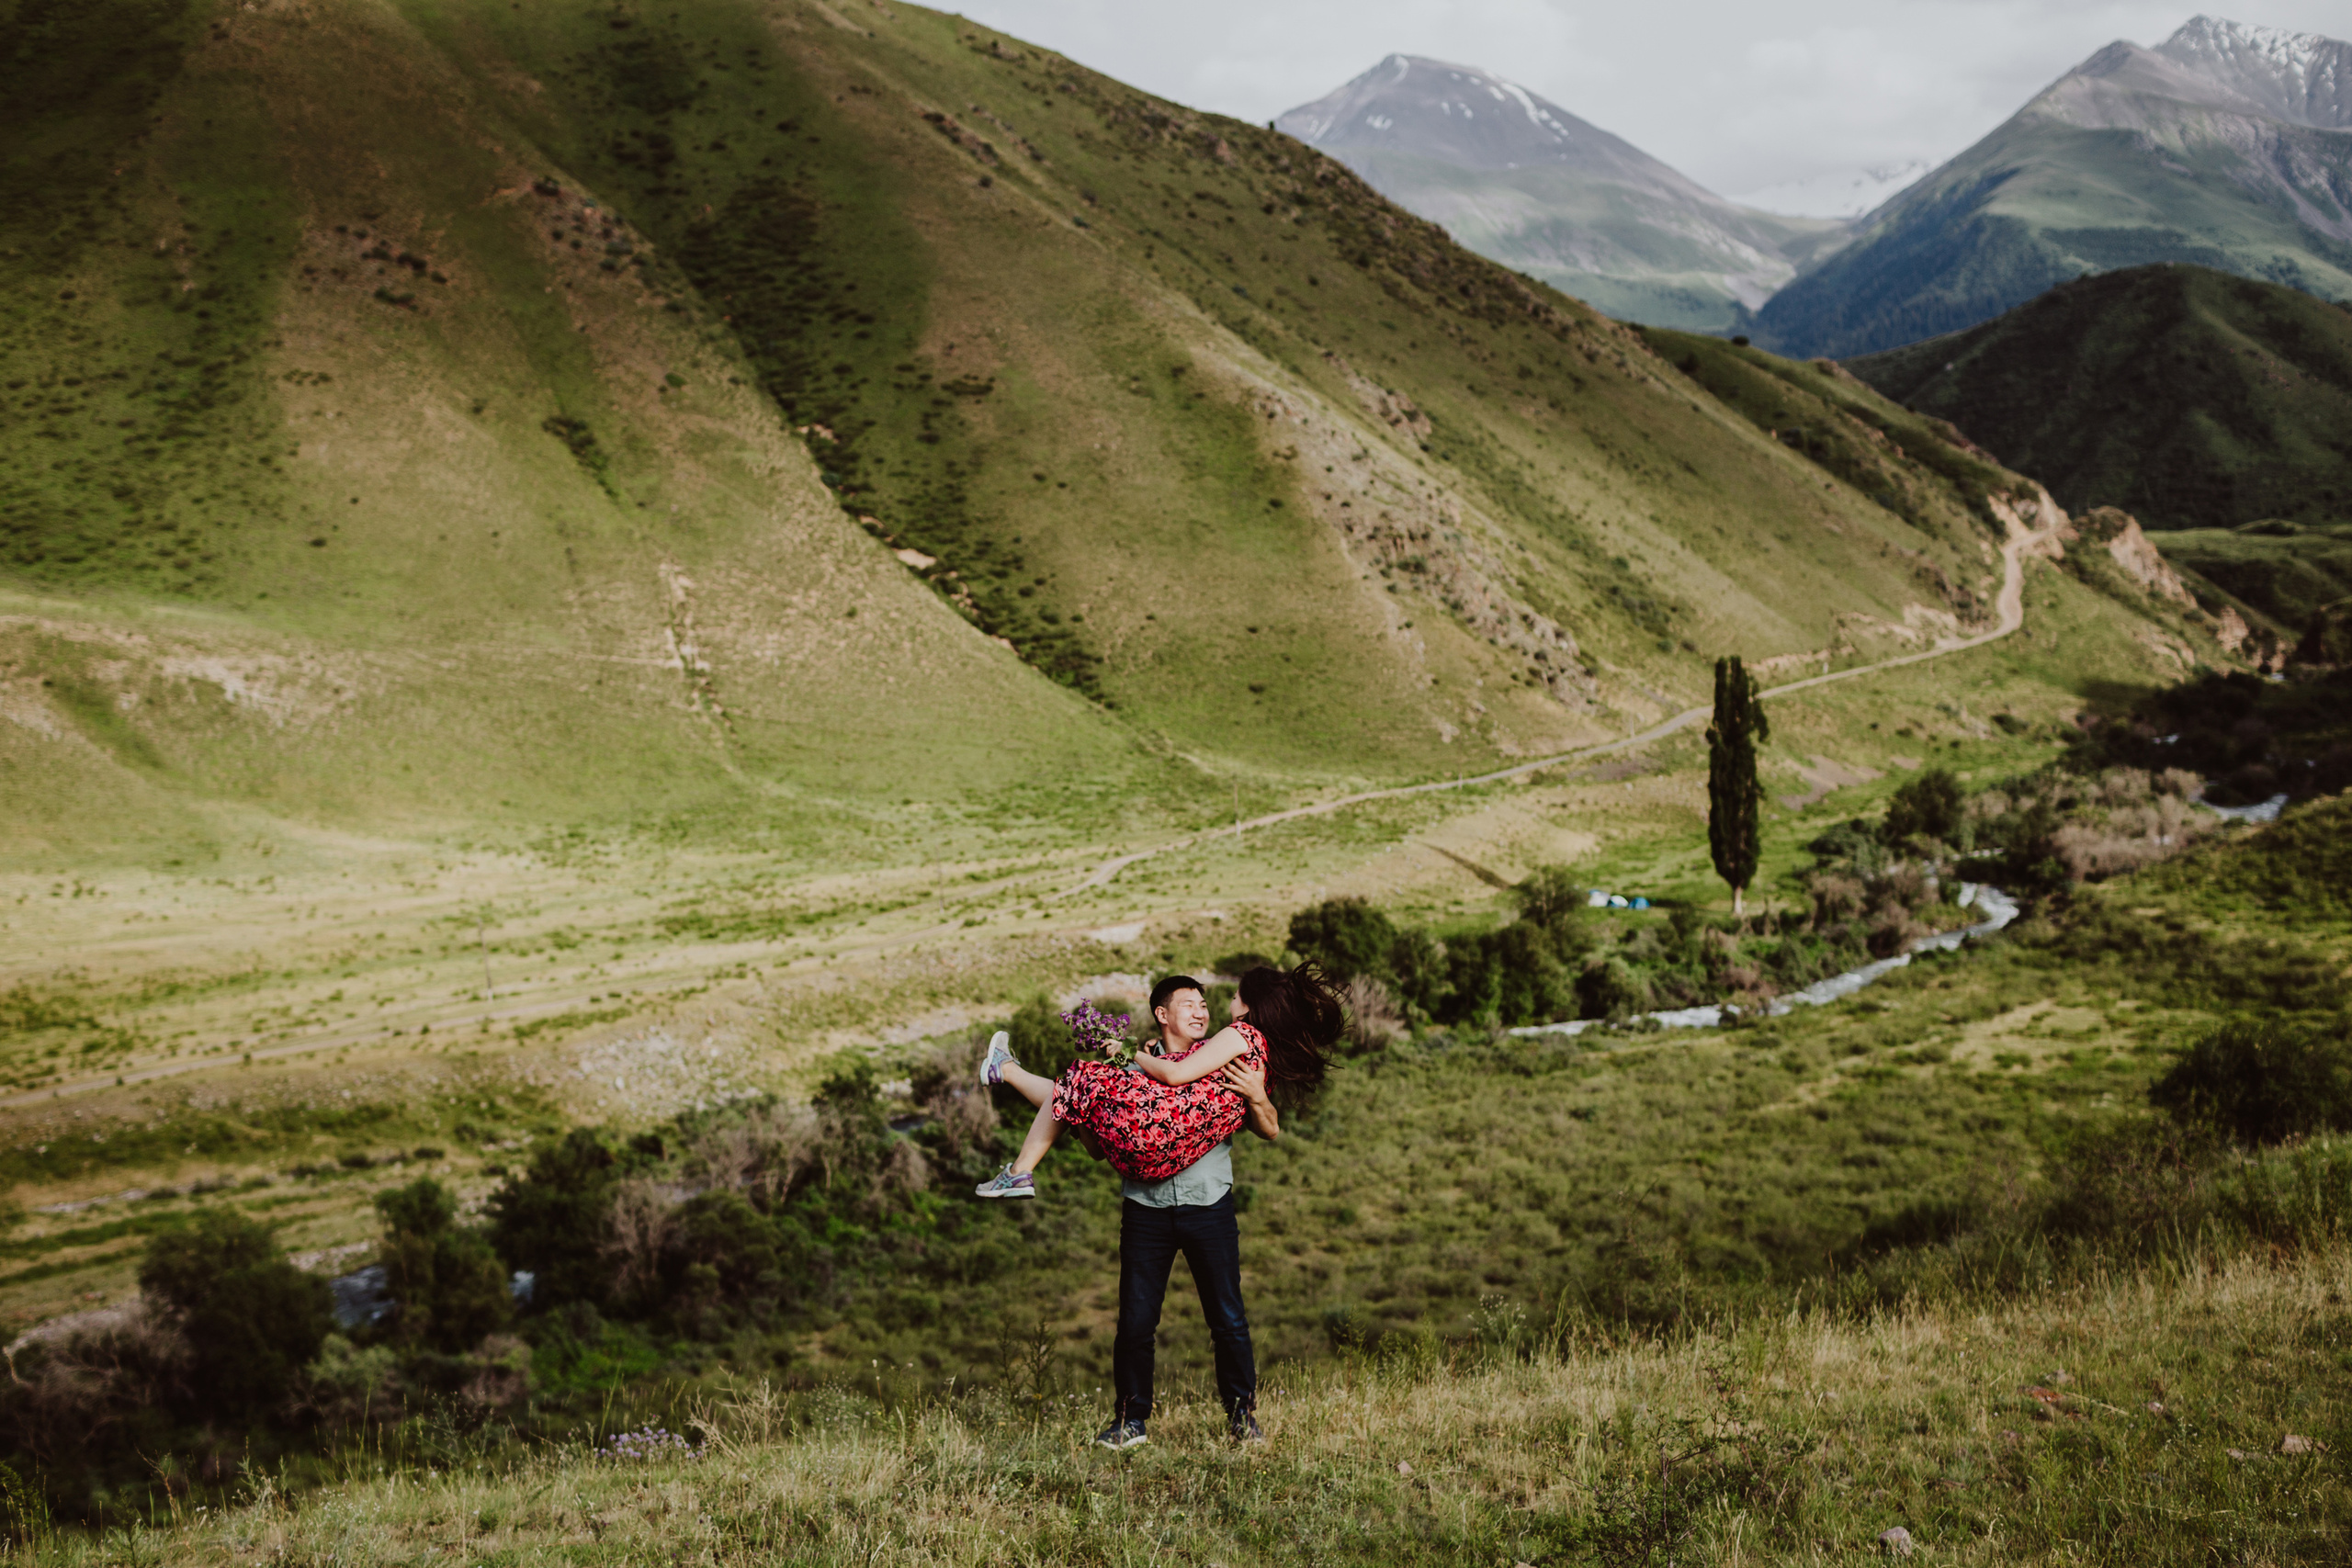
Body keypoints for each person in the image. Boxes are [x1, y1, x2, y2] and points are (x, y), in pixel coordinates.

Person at [974, 966, 1342, 1448]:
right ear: (1161, 1015)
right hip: (1146, 1206)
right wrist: (1118, 1075)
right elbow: (1095, 1146)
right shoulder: (1149, 1066)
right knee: (1135, 1322)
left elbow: (1269, 1128)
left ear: (1249, 1004)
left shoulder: (1227, 1050)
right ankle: (1130, 1421)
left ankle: (1241, 1417)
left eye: (1213, 1002)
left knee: (1228, 1319)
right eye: (1190, 1005)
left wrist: (1255, 1096)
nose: (1208, 1009)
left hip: (1206, 1203)